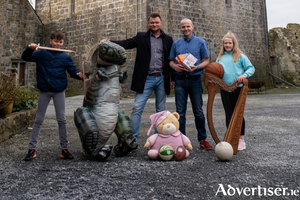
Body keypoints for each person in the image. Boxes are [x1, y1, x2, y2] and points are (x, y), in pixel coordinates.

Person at [101, 12, 174, 146]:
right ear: (148, 23)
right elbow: (126, 43)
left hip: (162, 79)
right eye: (152, 22)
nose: (154, 24)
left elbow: (171, 59)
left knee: (161, 111)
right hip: (146, 79)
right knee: (137, 108)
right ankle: (132, 139)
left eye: (157, 22)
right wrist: (109, 42)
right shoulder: (141, 37)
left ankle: (158, 138)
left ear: (161, 23)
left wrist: (172, 78)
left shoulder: (168, 39)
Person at [22, 31, 83, 161]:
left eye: (60, 42)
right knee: (38, 119)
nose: (58, 44)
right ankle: (31, 149)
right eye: (55, 41)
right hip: (44, 90)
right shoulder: (41, 53)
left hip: (59, 90)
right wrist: (29, 48)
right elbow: (25, 57)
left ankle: (65, 149)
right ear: (50, 41)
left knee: (62, 119)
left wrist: (79, 74)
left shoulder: (65, 57)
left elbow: (73, 71)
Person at [169, 18, 212, 150]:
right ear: (180, 28)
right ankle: (181, 140)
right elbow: (171, 61)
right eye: (183, 27)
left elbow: (206, 61)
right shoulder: (176, 44)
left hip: (195, 79)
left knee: (198, 111)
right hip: (180, 80)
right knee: (180, 112)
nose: (186, 29)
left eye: (188, 26)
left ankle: (202, 139)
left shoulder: (200, 42)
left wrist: (197, 67)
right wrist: (175, 67)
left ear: (192, 27)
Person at [216, 31, 255, 151]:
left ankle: (241, 139)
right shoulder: (220, 58)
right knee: (228, 113)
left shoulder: (240, 56)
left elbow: (251, 68)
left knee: (238, 114)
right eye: (225, 43)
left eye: (229, 43)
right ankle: (231, 137)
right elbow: (217, 72)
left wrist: (244, 75)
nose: (227, 45)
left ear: (234, 44)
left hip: (237, 89)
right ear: (223, 44)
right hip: (225, 89)